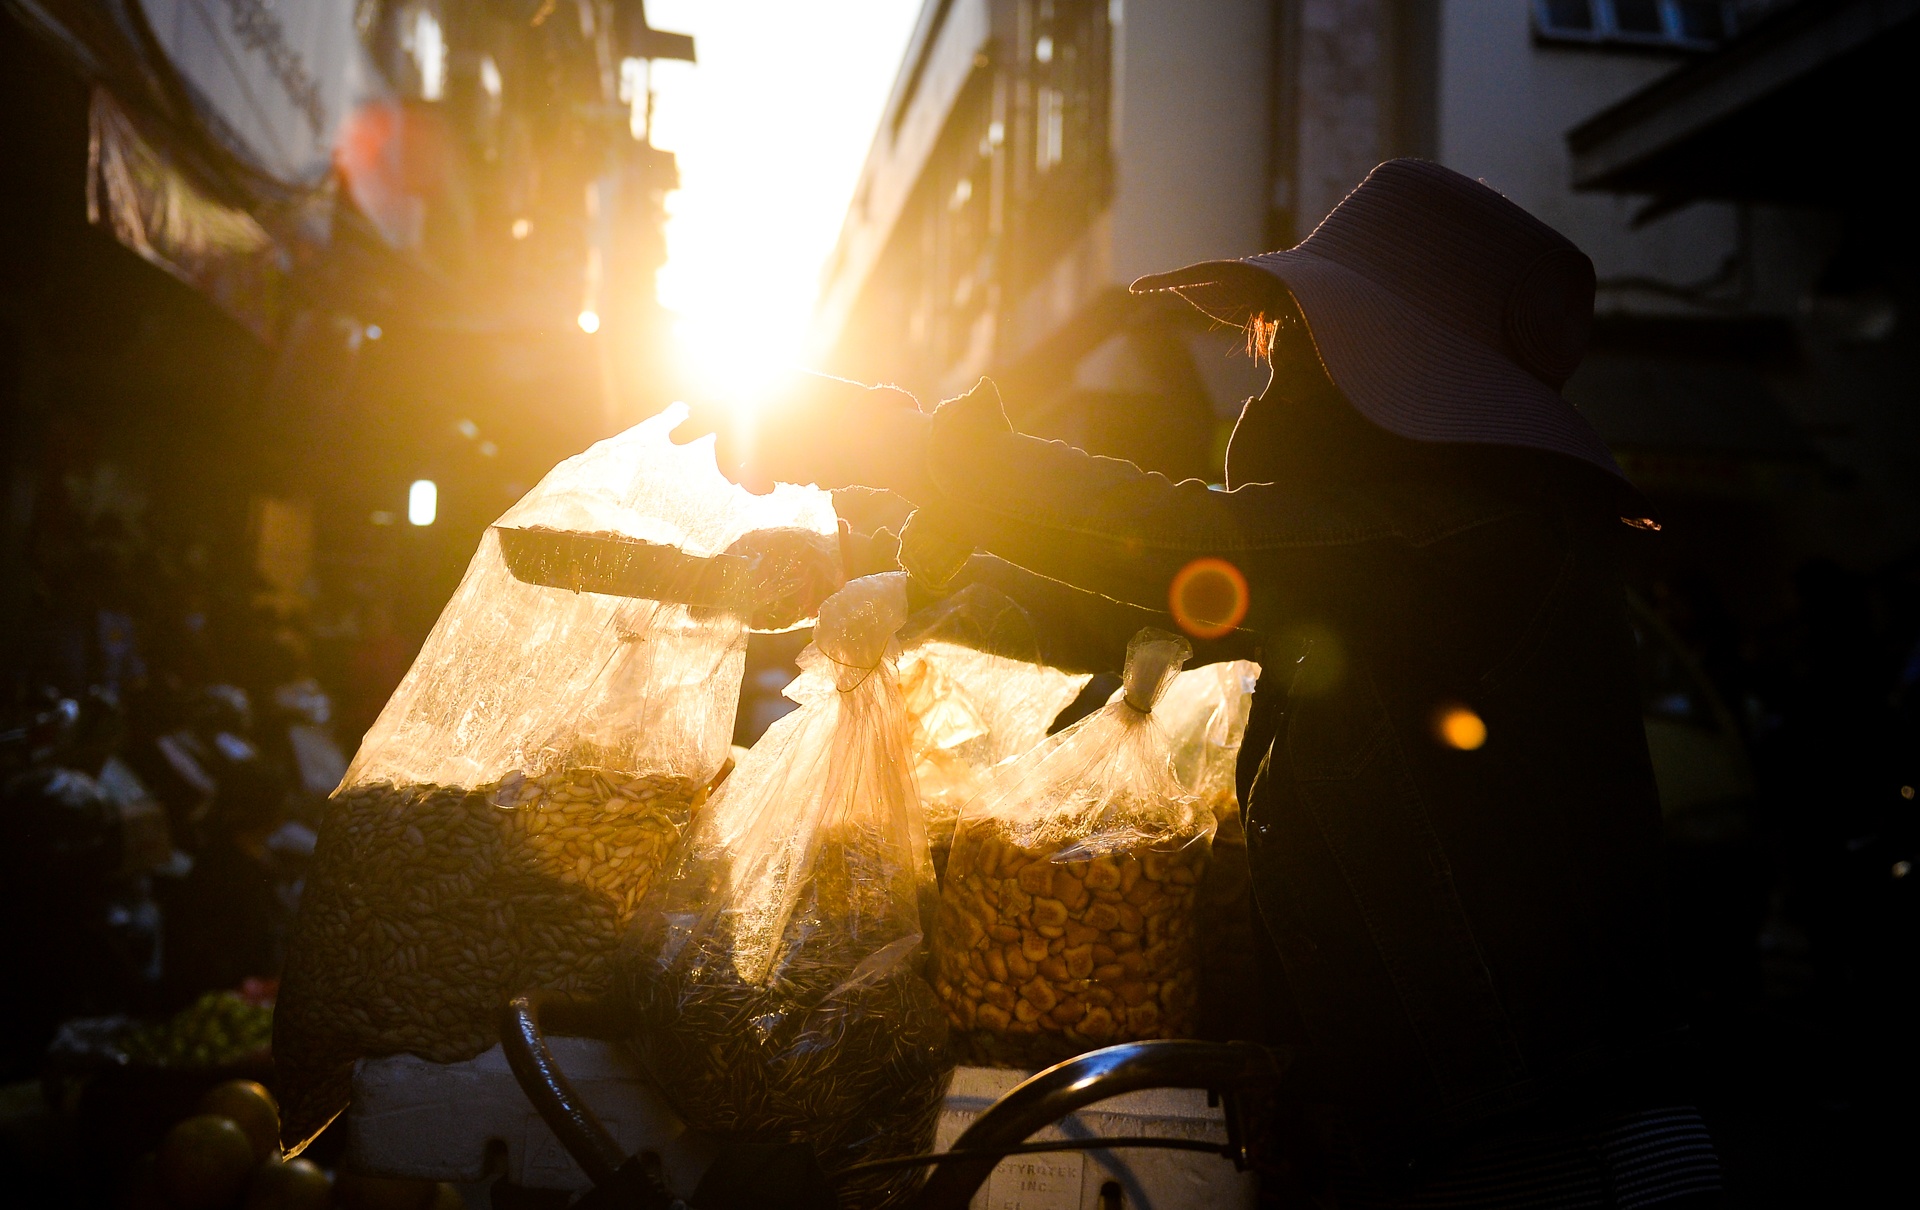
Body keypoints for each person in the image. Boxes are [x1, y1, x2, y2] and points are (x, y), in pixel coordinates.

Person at [720, 160, 1723, 1207]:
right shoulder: (1406, 549)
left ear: (1394, 366)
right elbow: (1131, 603)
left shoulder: (1470, 538)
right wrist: (886, 561)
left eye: (1303, 350)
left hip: (1561, 1153)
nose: (1278, 385)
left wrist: (922, 444)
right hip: (1453, 1139)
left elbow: (1191, 539)